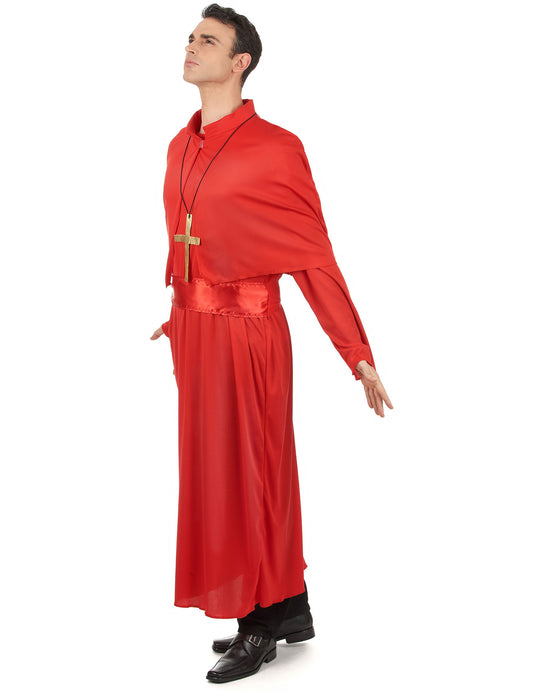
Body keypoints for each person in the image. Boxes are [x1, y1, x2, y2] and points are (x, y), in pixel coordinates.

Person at [150, 3, 393, 683]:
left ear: (240, 63)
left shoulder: (276, 148)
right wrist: (180, 312)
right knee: (214, 474)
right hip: (197, 336)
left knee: (255, 471)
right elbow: (191, 244)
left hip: (250, 334)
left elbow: (314, 258)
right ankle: (286, 608)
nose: (190, 46)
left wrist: (356, 353)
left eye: (207, 40)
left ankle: (260, 620)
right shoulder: (180, 144)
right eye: (190, 37)